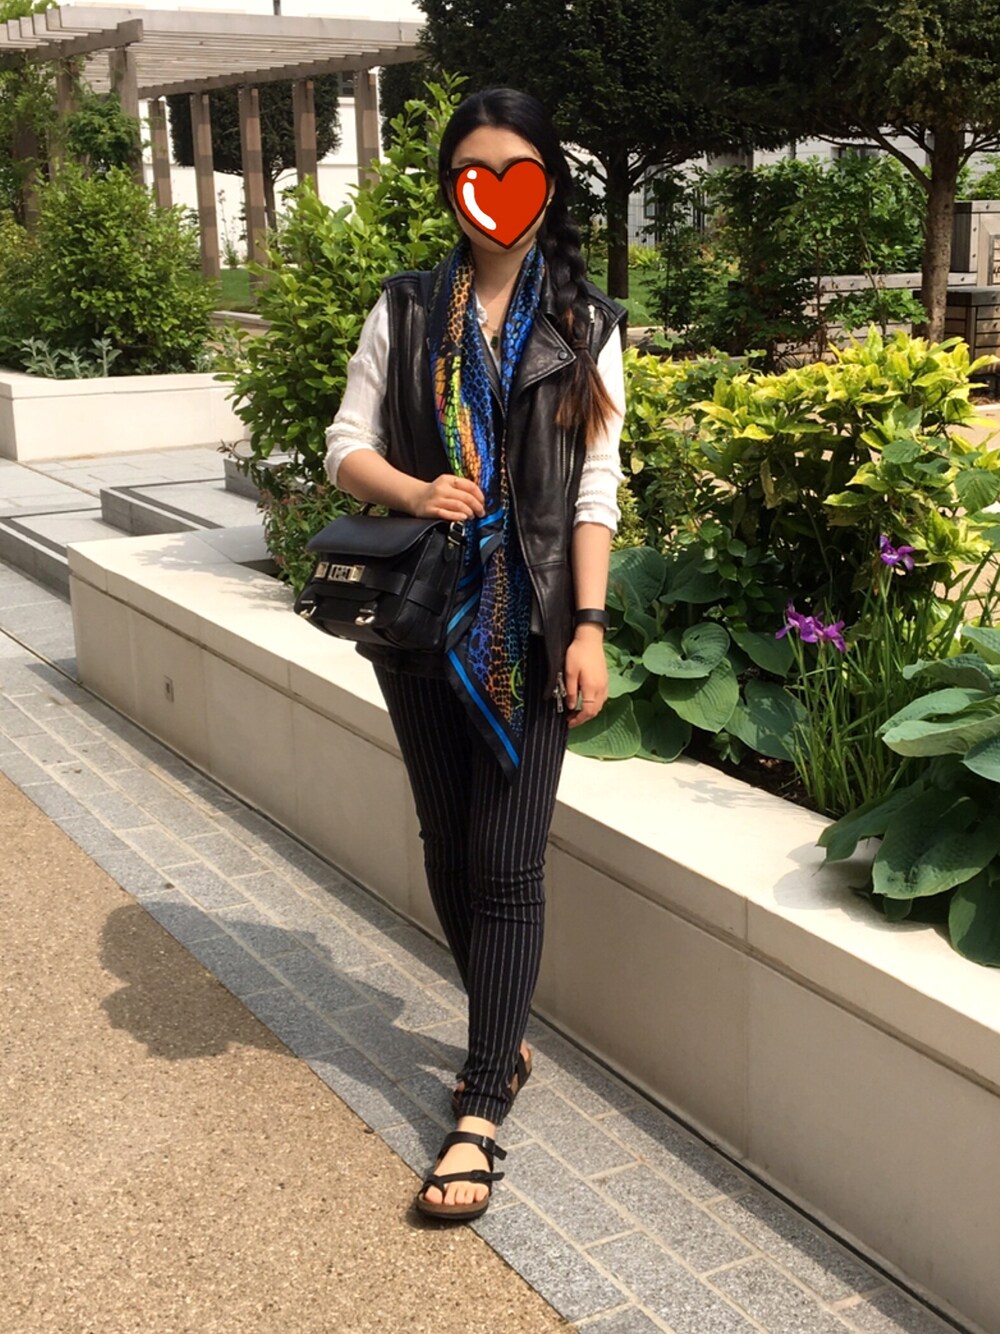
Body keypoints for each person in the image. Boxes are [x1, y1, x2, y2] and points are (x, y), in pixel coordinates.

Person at [324, 86, 627, 1221]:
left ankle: (483, 1099)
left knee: (507, 863)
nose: (495, 196)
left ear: (547, 185)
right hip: (421, 621)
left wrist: (589, 626)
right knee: (447, 847)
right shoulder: (407, 307)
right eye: (474, 173)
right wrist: (415, 490)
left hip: (532, 627)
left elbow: (593, 490)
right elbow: (344, 444)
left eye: (517, 173)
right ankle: (505, 1032)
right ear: (452, 186)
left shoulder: (587, 324)